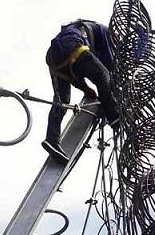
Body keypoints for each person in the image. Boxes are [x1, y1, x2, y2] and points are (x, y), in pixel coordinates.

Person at [42, 19, 119, 163]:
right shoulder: (106, 32)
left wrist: (85, 88)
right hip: (72, 46)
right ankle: (113, 117)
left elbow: (75, 71)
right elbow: (108, 68)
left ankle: (52, 139)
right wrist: (112, 101)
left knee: (62, 101)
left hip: (54, 57)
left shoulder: (80, 29)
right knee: (104, 76)